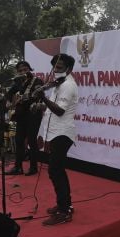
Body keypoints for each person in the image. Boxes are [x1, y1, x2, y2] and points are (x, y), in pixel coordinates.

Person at [35, 53, 78, 226]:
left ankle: (64, 211)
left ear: (69, 69)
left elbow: (60, 111)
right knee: (57, 171)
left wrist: (42, 97)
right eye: (54, 67)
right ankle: (66, 205)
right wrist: (40, 105)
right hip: (55, 133)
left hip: (62, 134)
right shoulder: (58, 85)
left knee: (55, 171)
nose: (55, 70)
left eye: (59, 67)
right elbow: (52, 108)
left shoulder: (68, 85)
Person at [5, 61, 43, 176]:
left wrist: (26, 98)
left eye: (25, 70)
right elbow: (9, 93)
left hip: (33, 114)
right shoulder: (18, 82)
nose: (23, 72)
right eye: (20, 70)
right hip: (20, 115)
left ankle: (33, 167)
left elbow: (39, 95)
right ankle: (18, 167)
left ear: (29, 69)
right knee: (18, 141)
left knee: (32, 140)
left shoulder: (37, 81)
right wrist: (9, 101)